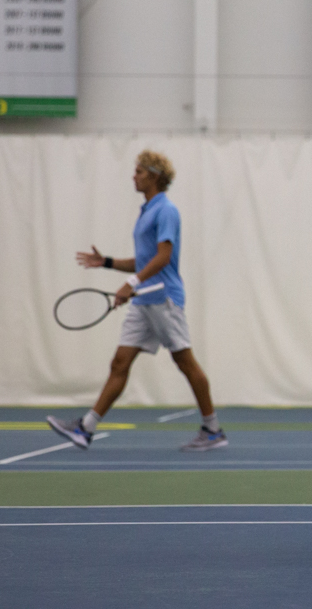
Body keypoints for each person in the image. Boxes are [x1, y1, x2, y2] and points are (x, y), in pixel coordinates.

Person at [46, 151, 227, 453]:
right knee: (120, 362)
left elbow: (163, 257)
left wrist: (131, 284)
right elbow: (143, 261)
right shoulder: (146, 212)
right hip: (144, 301)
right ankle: (85, 428)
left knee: (184, 361)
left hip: (164, 298)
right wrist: (106, 262)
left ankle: (212, 429)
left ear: (155, 176)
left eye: (140, 171)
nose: (134, 176)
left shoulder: (166, 210)